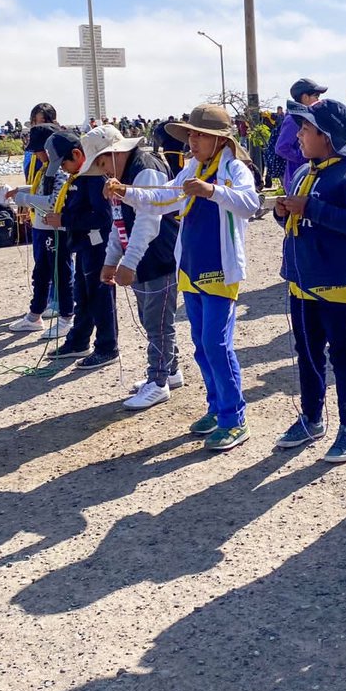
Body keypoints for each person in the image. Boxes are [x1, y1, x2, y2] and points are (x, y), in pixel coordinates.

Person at [117, 104, 259, 450]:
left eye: (198, 134)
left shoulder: (234, 168)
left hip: (221, 271)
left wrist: (212, 191)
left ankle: (234, 417)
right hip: (191, 269)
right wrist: (127, 192)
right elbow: (165, 198)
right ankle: (216, 407)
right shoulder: (193, 167)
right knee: (201, 344)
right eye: (190, 134)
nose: (191, 141)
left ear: (218, 139)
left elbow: (251, 204)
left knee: (217, 343)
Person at [273, 99, 346, 463]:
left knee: (345, 354)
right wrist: (281, 210)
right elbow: (293, 220)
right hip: (302, 281)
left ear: (327, 136)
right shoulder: (304, 171)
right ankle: (312, 418)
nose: (299, 135)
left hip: (336, 282)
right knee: (307, 352)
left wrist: (311, 208)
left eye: (306, 129)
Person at [91, 127, 184, 410]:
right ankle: (171, 369)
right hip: (141, 257)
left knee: (157, 322)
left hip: (158, 256)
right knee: (150, 318)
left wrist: (127, 263)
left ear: (115, 152)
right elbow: (118, 221)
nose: (103, 171)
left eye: (103, 162)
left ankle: (158, 382)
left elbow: (148, 221)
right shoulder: (122, 176)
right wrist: (111, 260)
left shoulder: (146, 169)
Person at [43, 129, 118, 370]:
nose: (62, 168)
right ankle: (79, 340)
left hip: (98, 246)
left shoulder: (94, 178)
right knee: (83, 295)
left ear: (77, 154)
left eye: (63, 162)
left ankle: (107, 346)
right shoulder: (78, 178)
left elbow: (103, 217)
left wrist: (64, 220)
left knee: (100, 297)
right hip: (84, 245)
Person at [5, 125, 74, 340]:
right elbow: (42, 191)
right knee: (41, 273)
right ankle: (35, 316)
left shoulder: (61, 169)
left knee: (61, 274)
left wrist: (25, 199)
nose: (36, 154)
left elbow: (55, 202)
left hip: (57, 231)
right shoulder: (46, 168)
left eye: (39, 150)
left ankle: (66, 318)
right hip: (42, 228)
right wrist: (22, 191)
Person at [275, 77, 326, 191]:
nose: (319, 100)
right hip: (297, 179)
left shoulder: (307, 117)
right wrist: (303, 156)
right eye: (316, 96)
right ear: (305, 97)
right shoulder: (293, 119)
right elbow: (281, 148)